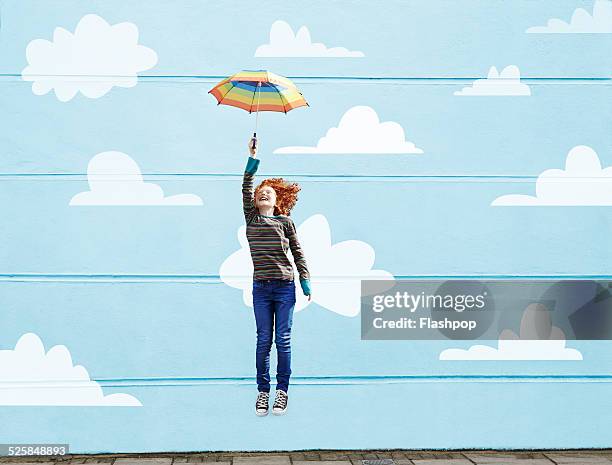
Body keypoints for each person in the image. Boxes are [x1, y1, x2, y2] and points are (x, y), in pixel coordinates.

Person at [242, 136, 312, 416]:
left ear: (277, 200)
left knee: (282, 339)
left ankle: (282, 390)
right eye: (261, 191)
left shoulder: (285, 222)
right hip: (261, 288)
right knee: (263, 339)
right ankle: (263, 391)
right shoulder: (251, 218)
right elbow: (245, 185)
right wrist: (252, 157)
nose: (263, 193)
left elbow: (298, 251)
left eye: (269, 192)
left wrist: (305, 278)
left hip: (284, 287)